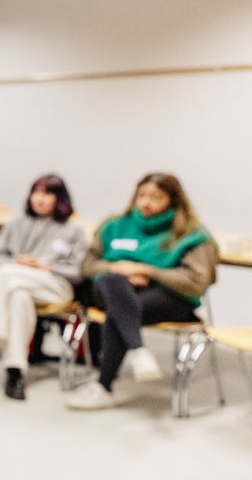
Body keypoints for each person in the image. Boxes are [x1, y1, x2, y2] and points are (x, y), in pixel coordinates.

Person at [66, 173, 217, 410]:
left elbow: (196, 281)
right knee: (115, 285)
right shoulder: (114, 225)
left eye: (156, 197)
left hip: (167, 296)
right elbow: (87, 265)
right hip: (111, 288)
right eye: (142, 196)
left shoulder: (191, 234)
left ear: (174, 200)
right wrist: (117, 268)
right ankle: (137, 350)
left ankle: (104, 386)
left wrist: (148, 271)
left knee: (121, 309)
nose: (147, 203)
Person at [0, 175, 88, 400]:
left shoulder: (74, 230)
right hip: (16, 283)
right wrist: (17, 263)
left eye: (47, 193)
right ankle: (15, 372)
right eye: (36, 192)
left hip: (54, 286)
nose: (40, 199)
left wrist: (45, 265)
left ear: (60, 198)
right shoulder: (15, 224)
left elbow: (80, 271)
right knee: (18, 296)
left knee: (6, 276)